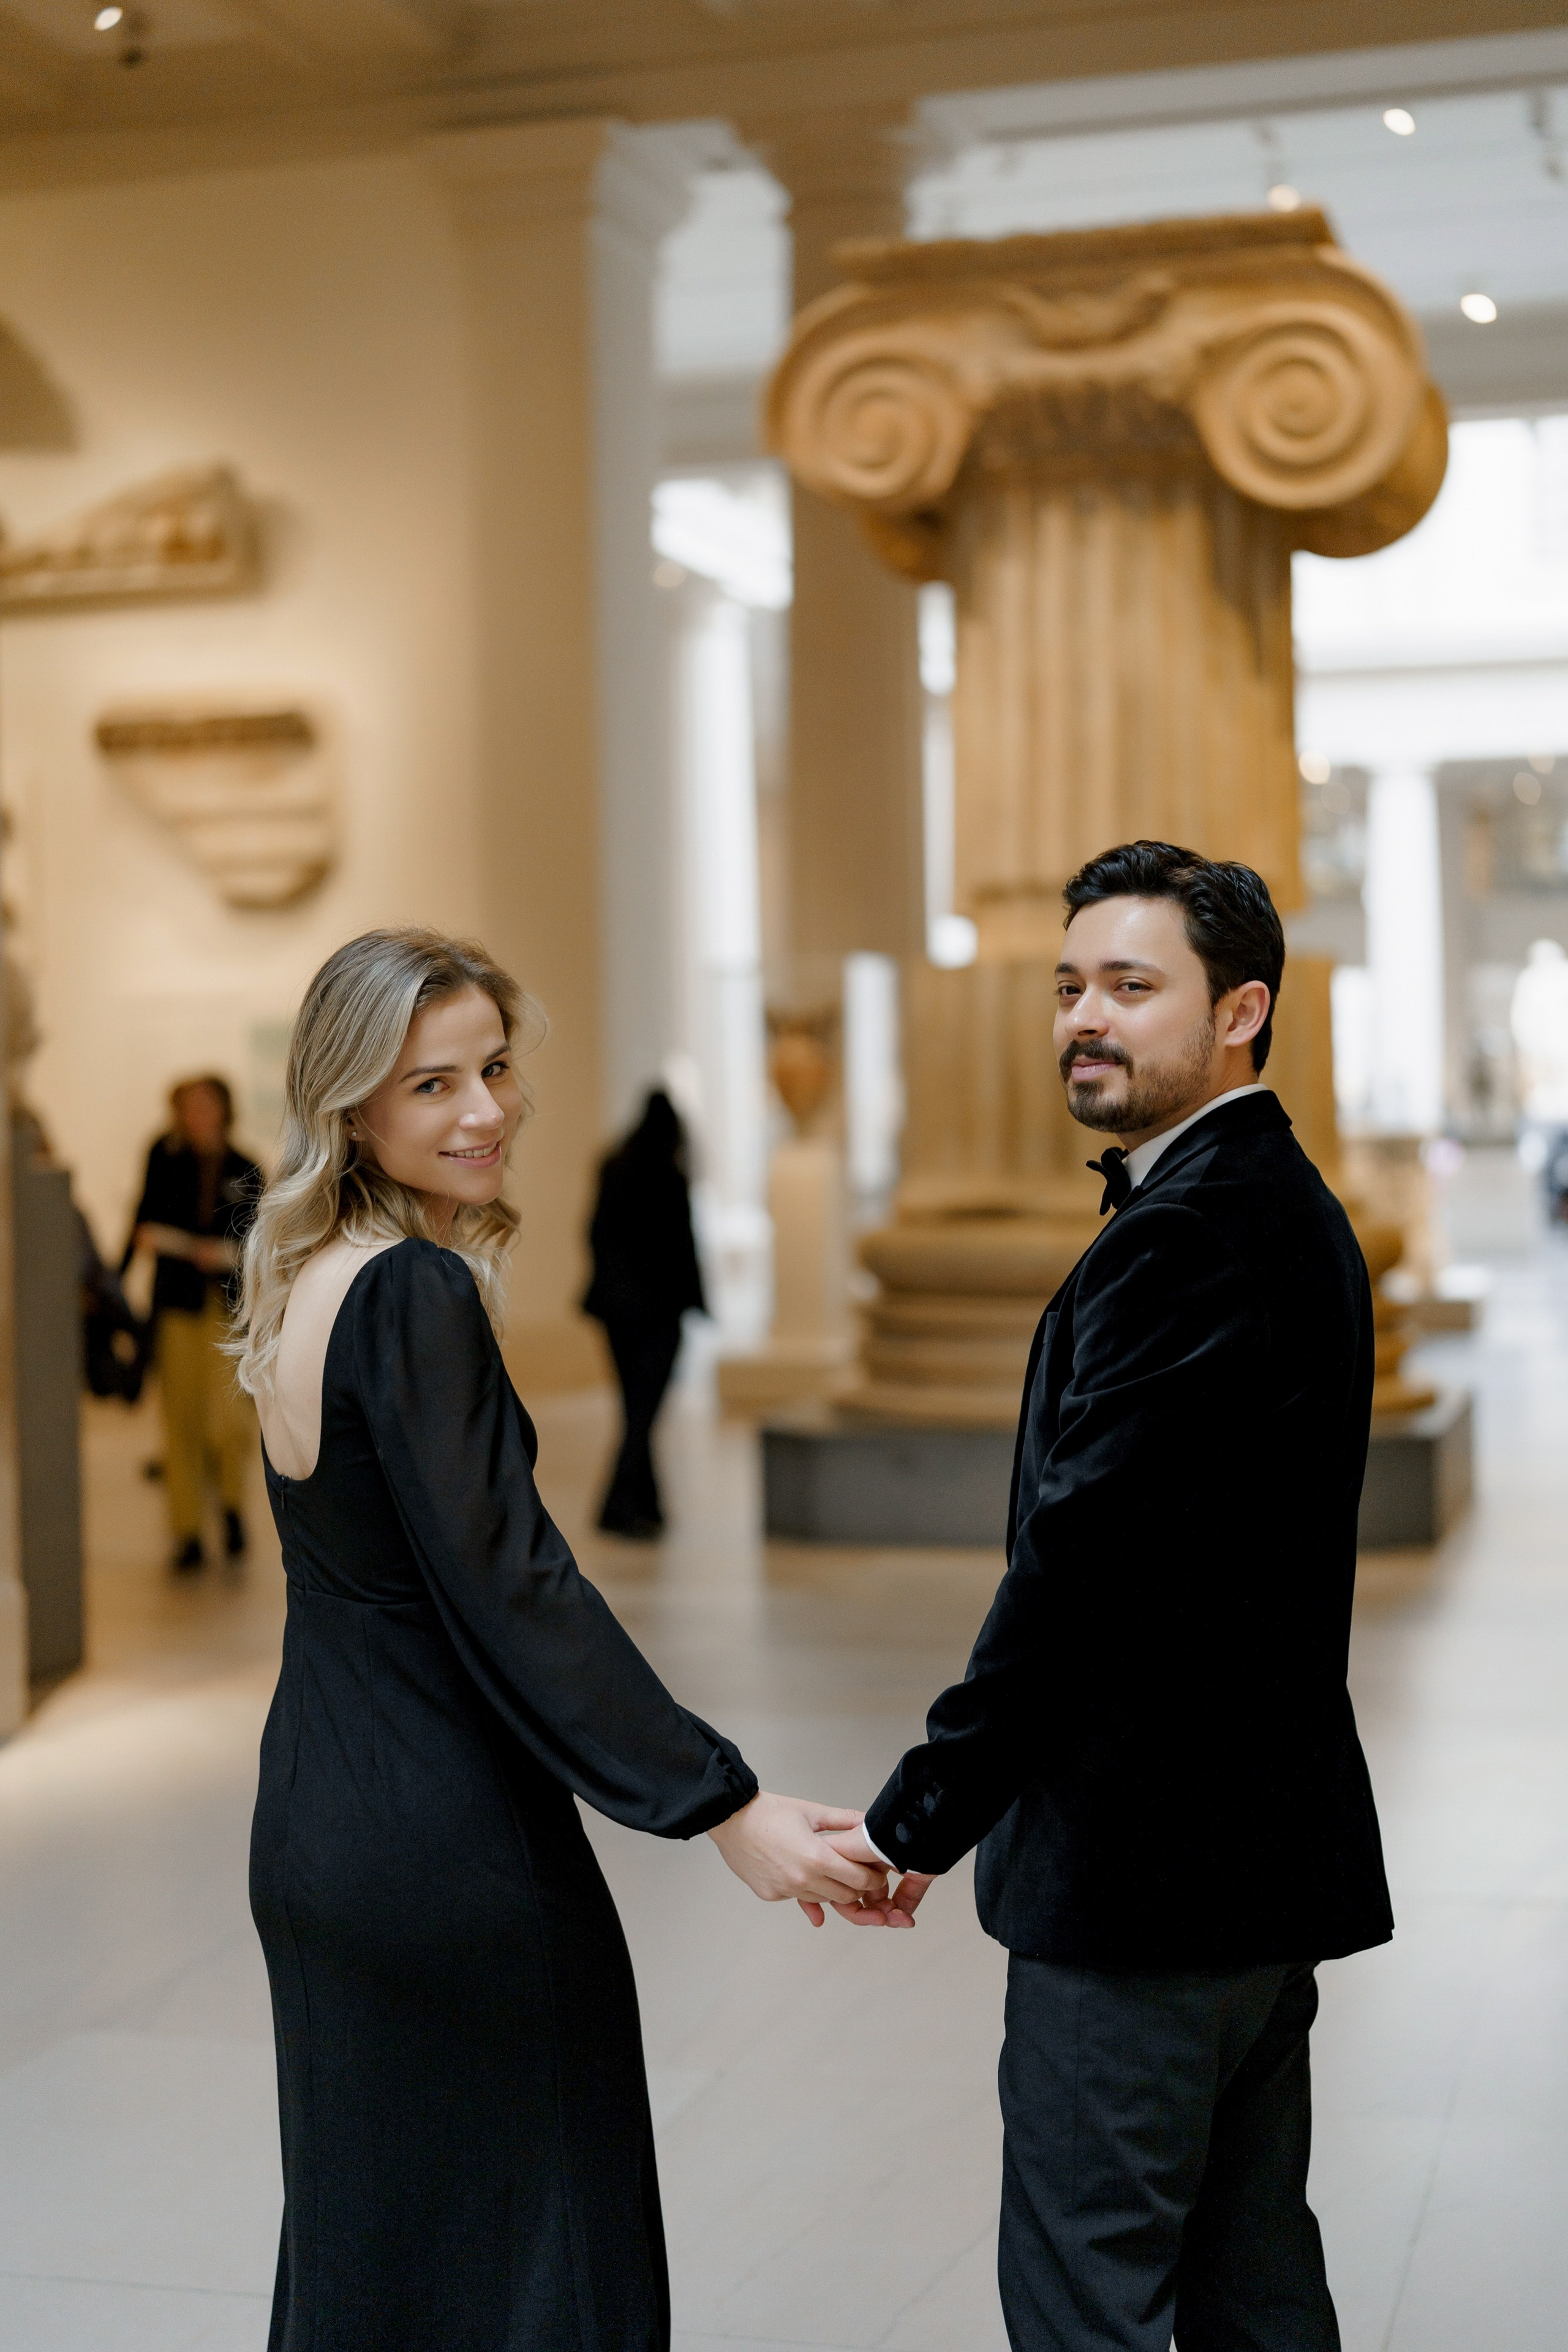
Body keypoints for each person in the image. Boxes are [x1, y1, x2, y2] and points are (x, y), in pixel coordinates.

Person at [233, 927, 894, 2352]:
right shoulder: (412, 1293)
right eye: (432, 1085)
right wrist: (719, 1800)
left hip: (318, 1833)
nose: (485, 1109)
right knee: (548, 2259)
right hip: (447, 1845)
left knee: (376, 2257)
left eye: (495, 1066)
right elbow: (514, 1589)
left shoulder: (308, 1281)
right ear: (353, 1104)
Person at [832, 841, 1392, 2352]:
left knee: (1094, 2298)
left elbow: (1079, 1573)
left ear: (1238, 1011)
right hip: (1249, 1879)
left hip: (1142, 1890)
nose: (1084, 1014)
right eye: (1070, 984)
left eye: (1130, 986)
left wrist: (916, 1813)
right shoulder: (1270, 1199)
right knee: (1249, 2292)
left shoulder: (1189, 1233)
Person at [126, 1076, 261, 1571]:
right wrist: (120, 1285)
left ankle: (230, 1506)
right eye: (188, 1106)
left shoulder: (246, 1168)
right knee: (180, 1419)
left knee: (229, 1422)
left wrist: (222, 1255)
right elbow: (141, 1219)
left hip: (227, 1306)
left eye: (206, 1105)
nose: (197, 1114)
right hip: (178, 1304)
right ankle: (187, 1532)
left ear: (225, 1110)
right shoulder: (164, 1158)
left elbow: (259, 1242)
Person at [582, 1087, 706, 1538]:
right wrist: (698, 1301)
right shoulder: (669, 1176)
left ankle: (649, 1505)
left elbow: (595, 1235)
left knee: (637, 1410)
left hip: (617, 1311)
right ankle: (616, 1507)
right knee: (642, 1414)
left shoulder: (613, 1167)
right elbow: (682, 1248)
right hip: (658, 1314)